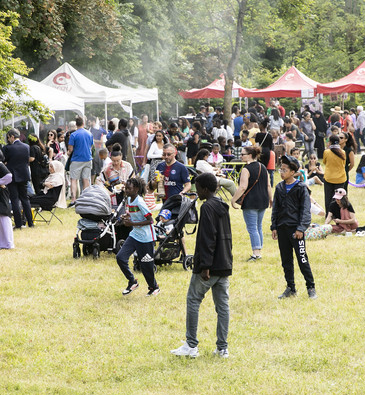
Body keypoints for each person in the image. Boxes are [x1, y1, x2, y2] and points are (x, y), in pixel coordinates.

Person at [171, 172, 232, 359]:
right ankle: (222, 348)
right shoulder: (223, 205)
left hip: (210, 265)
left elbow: (208, 238)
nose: (196, 192)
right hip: (224, 263)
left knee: (193, 300)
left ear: (205, 189)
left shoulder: (207, 208)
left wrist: (205, 266)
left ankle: (191, 345)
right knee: (222, 307)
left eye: (198, 188)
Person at [271, 155, 315, 299]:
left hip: (296, 230)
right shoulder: (279, 187)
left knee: (302, 259)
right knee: (286, 260)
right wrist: (274, 226)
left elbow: (305, 210)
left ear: (293, 172)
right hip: (282, 229)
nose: (281, 172)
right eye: (280, 169)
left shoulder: (301, 188)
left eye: (284, 170)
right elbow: (275, 209)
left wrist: (301, 228)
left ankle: (310, 287)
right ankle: (291, 287)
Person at [115, 177, 160, 296]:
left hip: (146, 238)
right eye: (126, 188)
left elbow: (150, 221)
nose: (126, 191)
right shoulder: (129, 199)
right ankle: (132, 281)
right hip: (134, 235)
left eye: (129, 189)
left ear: (136, 189)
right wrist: (124, 217)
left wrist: (132, 224)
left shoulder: (140, 202)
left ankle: (153, 287)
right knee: (120, 257)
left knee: (146, 266)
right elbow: (131, 214)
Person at [231, 146, 270, 261]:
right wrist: (271, 199)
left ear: (250, 155)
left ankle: (256, 253)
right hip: (263, 200)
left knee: (252, 228)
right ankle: (259, 250)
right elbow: (268, 185)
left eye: (243, 154)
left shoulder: (246, 169)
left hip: (251, 201)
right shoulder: (263, 167)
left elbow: (242, 187)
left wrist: (233, 200)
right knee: (258, 227)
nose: (241, 156)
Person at [2, 129, 34, 229]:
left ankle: (18, 223)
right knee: (25, 199)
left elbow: (4, 160)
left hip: (13, 176)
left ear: (11, 136)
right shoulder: (26, 147)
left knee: (15, 200)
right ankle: (30, 222)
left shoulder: (8, 148)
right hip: (24, 175)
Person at [68, 116, 94, 203]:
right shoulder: (89, 134)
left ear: (76, 124)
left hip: (76, 159)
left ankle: (73, 199)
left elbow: (70, 149)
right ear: (83, 123)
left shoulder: (73, 135)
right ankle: (86, 198)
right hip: (87, 158)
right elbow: (91, 146)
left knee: (74, 179)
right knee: (86, 179)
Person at [322, 134, 348, 204]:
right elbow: (344, 164)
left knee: (328, 198)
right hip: (340, 178)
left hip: (329, 178)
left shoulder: (326, 152)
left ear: (330, 142)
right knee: (339, 199)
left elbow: (324, 162)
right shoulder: (343, 152)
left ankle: (328, 214)